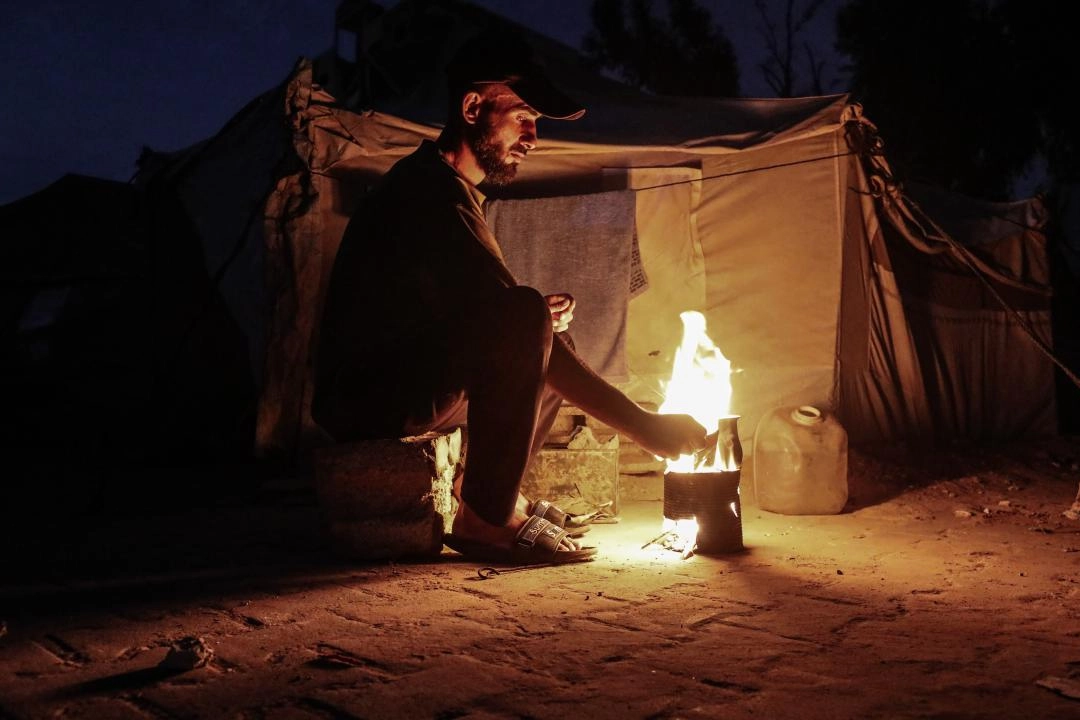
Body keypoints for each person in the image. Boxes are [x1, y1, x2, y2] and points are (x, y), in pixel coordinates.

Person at [312, 32, 707, 564]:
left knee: (539, 327)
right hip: (368, 397)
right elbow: (503, 318)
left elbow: (461, 315)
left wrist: (532, 324)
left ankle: (503, 497)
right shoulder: (429, 194)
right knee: (527, 318)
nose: (533, 139)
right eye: (523, 118)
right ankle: (485, 518)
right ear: (473, 108)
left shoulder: (449, 188)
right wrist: (648, 429)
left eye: (536, 125)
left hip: (404, 377)